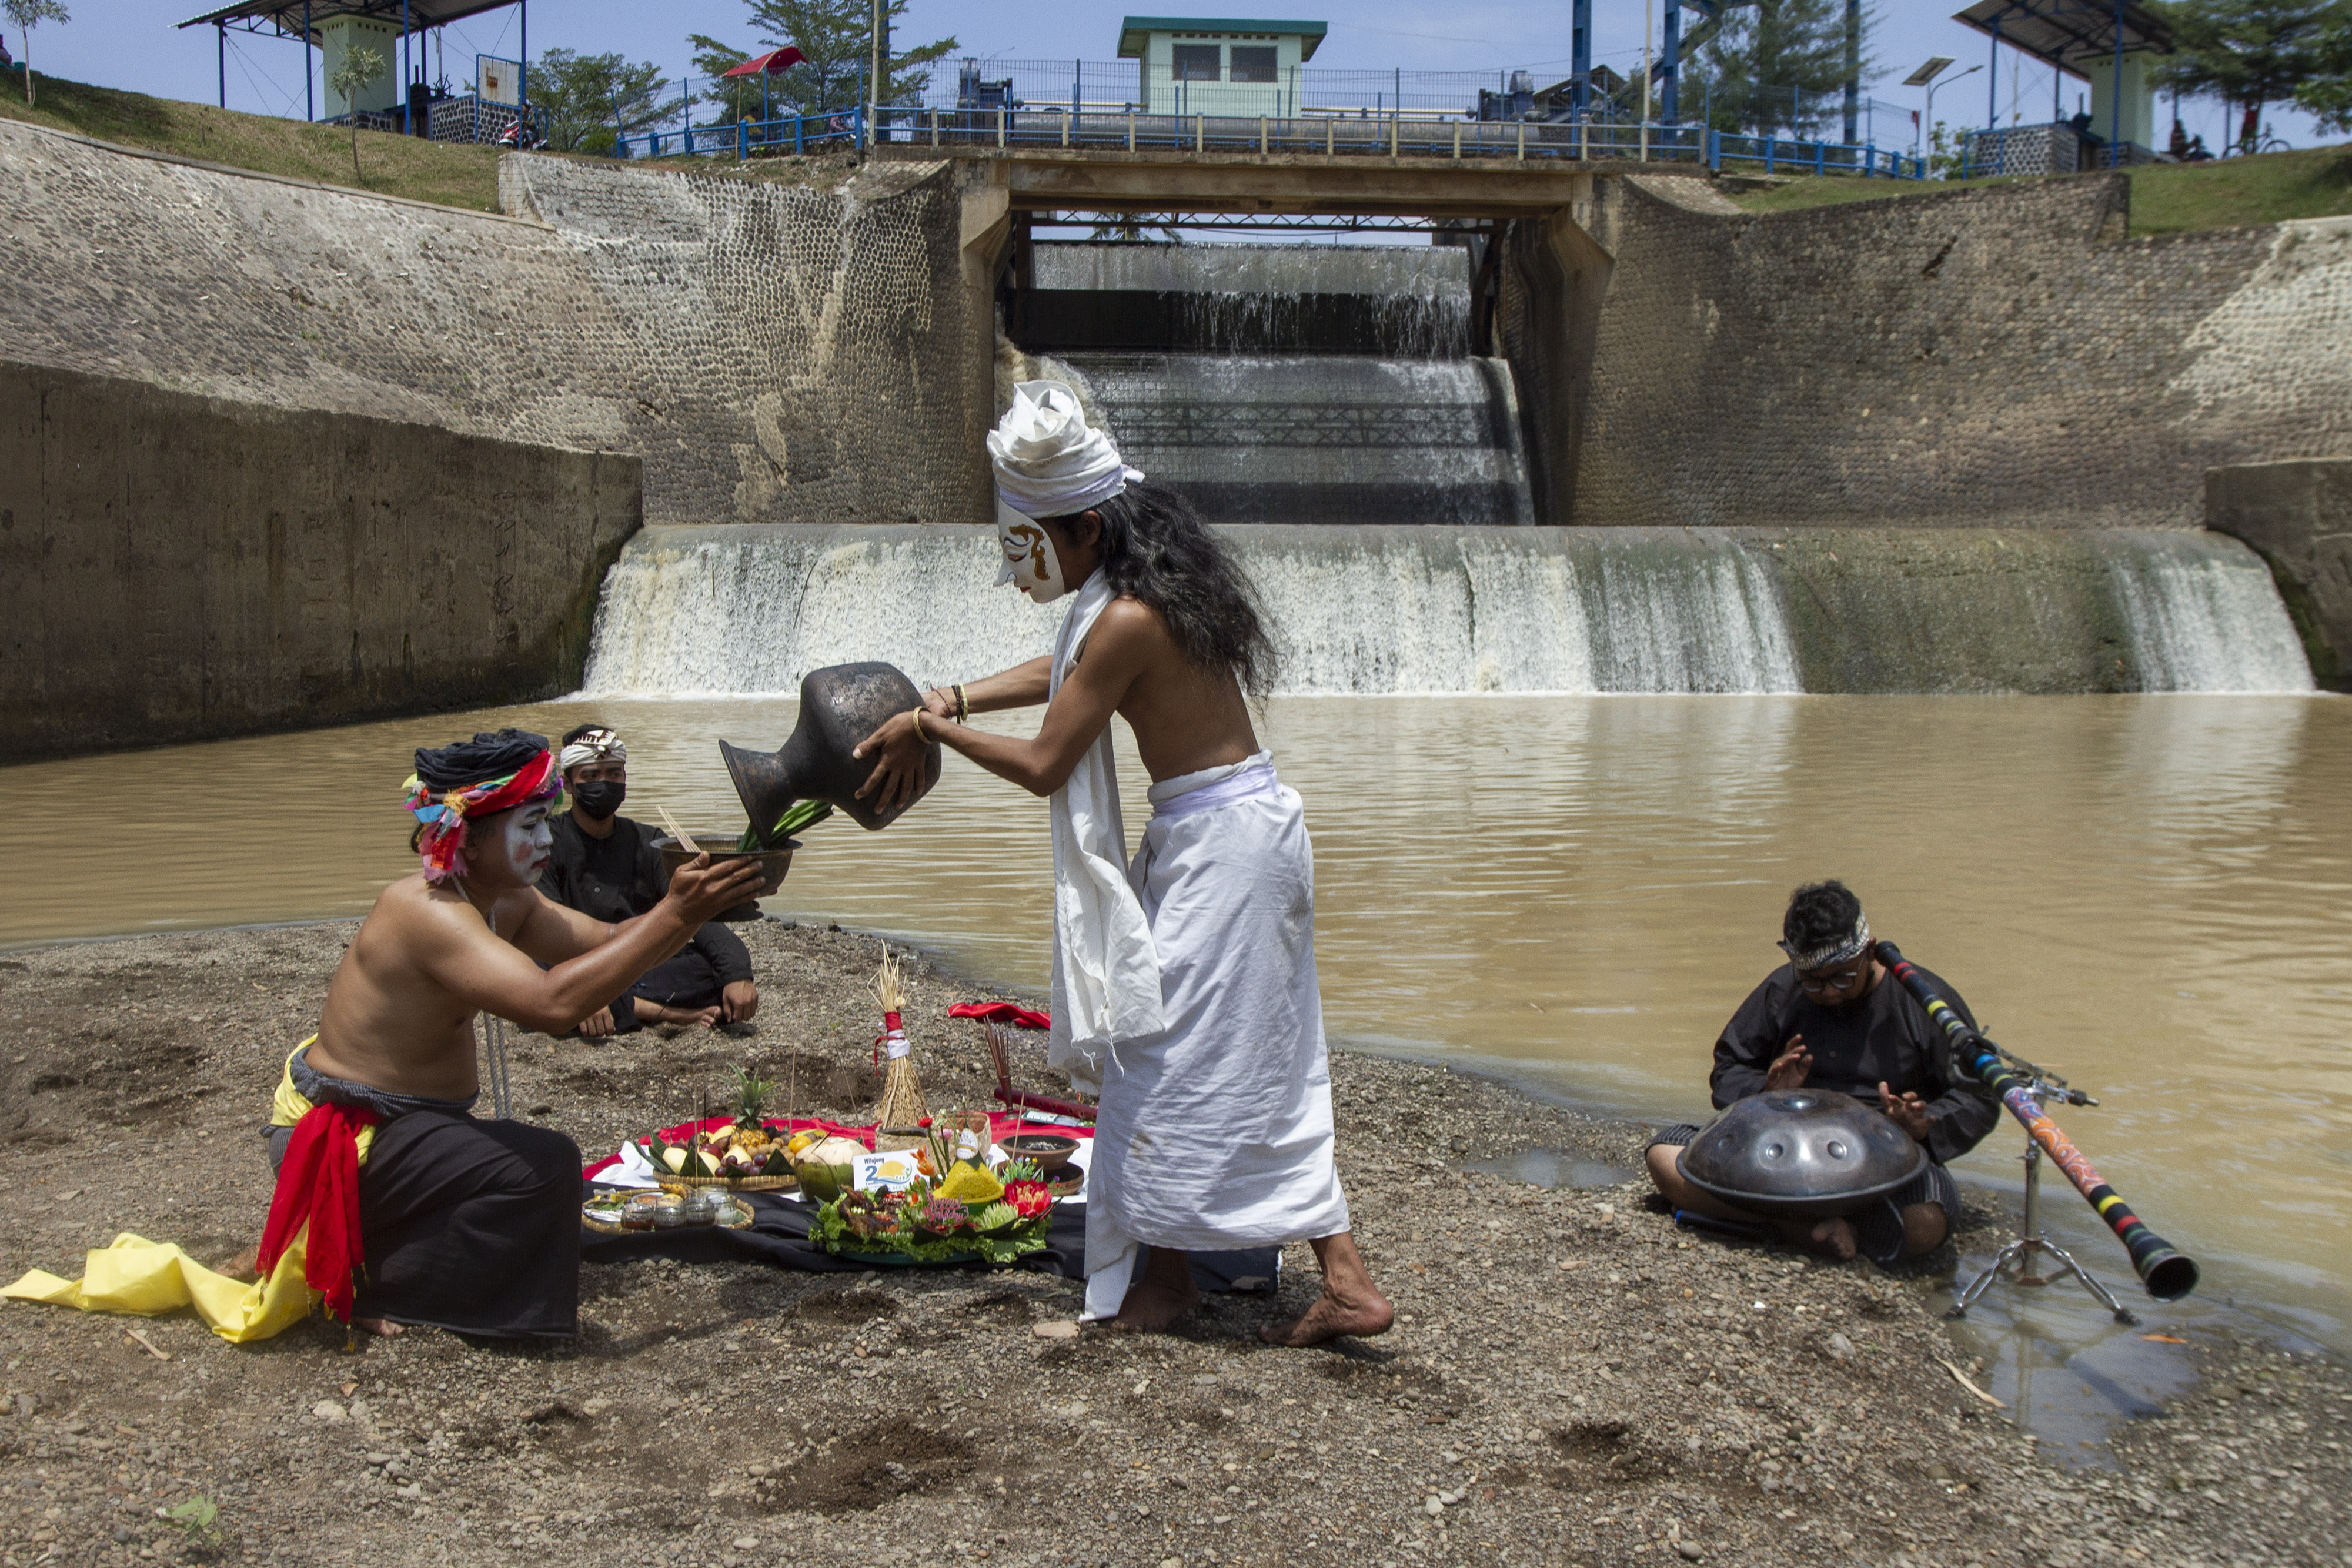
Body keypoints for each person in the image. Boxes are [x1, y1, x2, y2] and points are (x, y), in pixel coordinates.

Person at [852, 381, 1392, 1346]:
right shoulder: (1136, 590)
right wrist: (960, 696)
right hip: (1232, 837)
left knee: (1160, 1055)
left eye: (1032, 545)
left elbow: (1048, 762)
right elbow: (1067, 673)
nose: (1024, 566)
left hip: (1228, 850)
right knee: (1236, 1058)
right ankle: (1292, 1276)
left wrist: (934, 725)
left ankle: (1183, 1279)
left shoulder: (1128, 616)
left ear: (1087, 528)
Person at [281, 728, 763, 1337]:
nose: (544, 842)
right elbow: (552, 1003)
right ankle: (389, 1287)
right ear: (468, 839)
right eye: (529, 826)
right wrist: (676, 913)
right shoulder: (427, 910)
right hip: (355, 1139)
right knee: (546, 1166)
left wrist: (694, 908)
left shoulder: (509, 900)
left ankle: (389, 1249)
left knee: (544, 1181)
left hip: (417, 1128)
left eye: (545, 823)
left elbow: (612, 942)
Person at [1645, 881, 1999, 1263]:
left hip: (1881, 1168)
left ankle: (1809, 1225)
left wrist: (1923, 1124)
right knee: (1665, 1153)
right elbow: (1729, 1066)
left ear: (1868, 951)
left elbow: (1981, 1095)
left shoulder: (1921, 999)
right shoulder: (1784, 989)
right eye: (1814, 981)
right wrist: (1764, 1092)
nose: (1829, 992)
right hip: (1780, 1160)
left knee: (1928, 1221)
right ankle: (1808, 1231)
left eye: (1843, 977)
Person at [537, 723, 760, 1037]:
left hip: (635, 963)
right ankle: (664, 1012)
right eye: (590, 776)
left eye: (614, 774)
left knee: (711, 972)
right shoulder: (547, 842)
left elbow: (696, 908)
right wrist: (583, 987)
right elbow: (544, 925)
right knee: (537, 971)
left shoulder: (650, 841)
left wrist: (739, 973)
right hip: (571, 960)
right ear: (569, 785)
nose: (604, 783)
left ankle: (626, 1006)